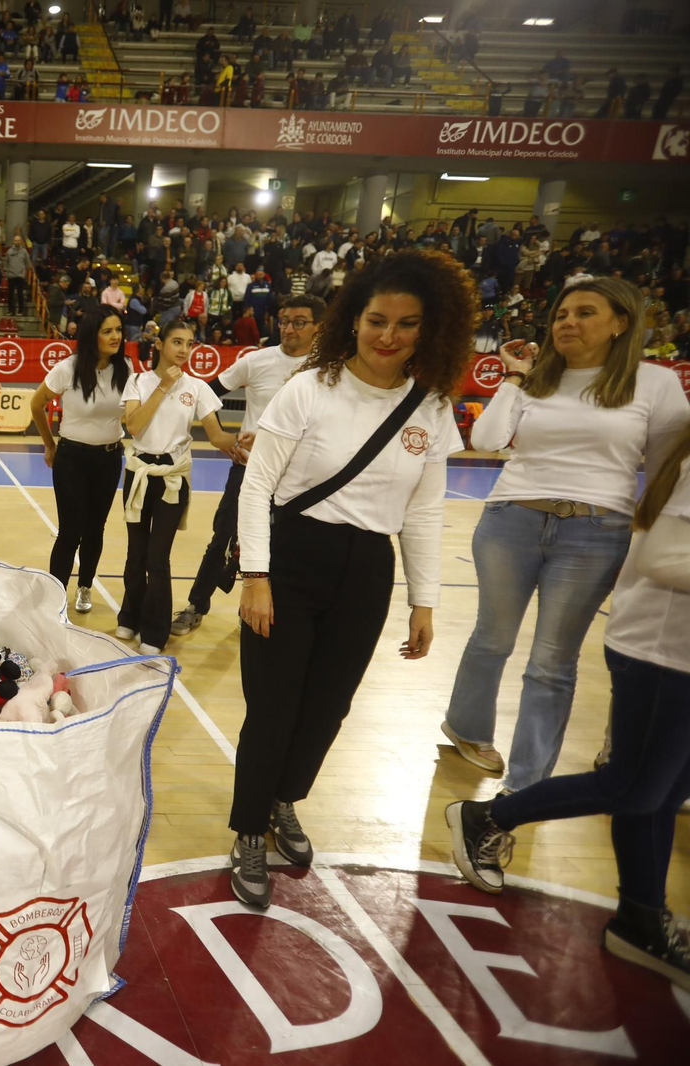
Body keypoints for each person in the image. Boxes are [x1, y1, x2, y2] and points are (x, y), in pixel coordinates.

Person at [229, 251, 473, 908]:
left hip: (368, 571)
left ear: (430, 329)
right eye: (377, 320)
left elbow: (423, 510)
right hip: (290, 559)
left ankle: (284, 801)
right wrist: (257, 574)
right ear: (354, 320)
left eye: (406, 323)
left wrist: (424, 602)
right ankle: (249, 828)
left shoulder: (431, 408)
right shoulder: (310, 387)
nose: (389, 335)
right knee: (274, 707)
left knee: (328, 708)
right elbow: (257, 487)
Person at [447, 422, 690, 990]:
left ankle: (641, 918)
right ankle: (487, 816)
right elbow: (661, 556)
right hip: (662, 649)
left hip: (677, 652)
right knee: (634, 787)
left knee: (663, 792)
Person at [441, 279, 690, 787]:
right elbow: (486, 440)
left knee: (553, 660)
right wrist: (513, 378)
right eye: (561, 314)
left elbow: (666, 476)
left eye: (584, 312)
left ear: (620, 323)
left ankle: (526, 783)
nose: (567, 322)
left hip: (597, 532)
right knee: (492, 638)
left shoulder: (656, 384)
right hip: (510, 518)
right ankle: (466, 728)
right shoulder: (538, 380)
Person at [174, 295, 327, 636]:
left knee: (289, 545)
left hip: (302, 476)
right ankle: (196, 605)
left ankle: (279, 609)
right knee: (221, 538)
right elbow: (206, 393)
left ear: (320, 327)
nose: (289, 328)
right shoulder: (256, 361)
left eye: (299, 322)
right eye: (284, 320)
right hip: (250, 469)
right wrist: (222, 435)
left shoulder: (328, 370)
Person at [116, 319, 240, 653]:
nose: (184, 350)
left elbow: (216, 435)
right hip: (139, 474)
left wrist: (244, 440)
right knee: (136, 553)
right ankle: (130, 616)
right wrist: (161, 388)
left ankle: (155, 631)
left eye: (189, 344)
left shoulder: (197, 387)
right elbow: (135, 427)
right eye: (177, 342)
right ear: (159, 345)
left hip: (173, 478)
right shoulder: (138, 382)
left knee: (158, 557)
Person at [29, 306, 131, 614]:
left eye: (118, 330)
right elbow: (37, 405)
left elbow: (132, 413)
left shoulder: (125, 367)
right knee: (71, 529)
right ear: (92, 335)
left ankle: (85, 586)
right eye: (107, 331)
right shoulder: (68, 368)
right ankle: (55, 593)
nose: (116, 336)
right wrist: (50, 445)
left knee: (95, 528)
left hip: (110, 459)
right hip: (71, 457)